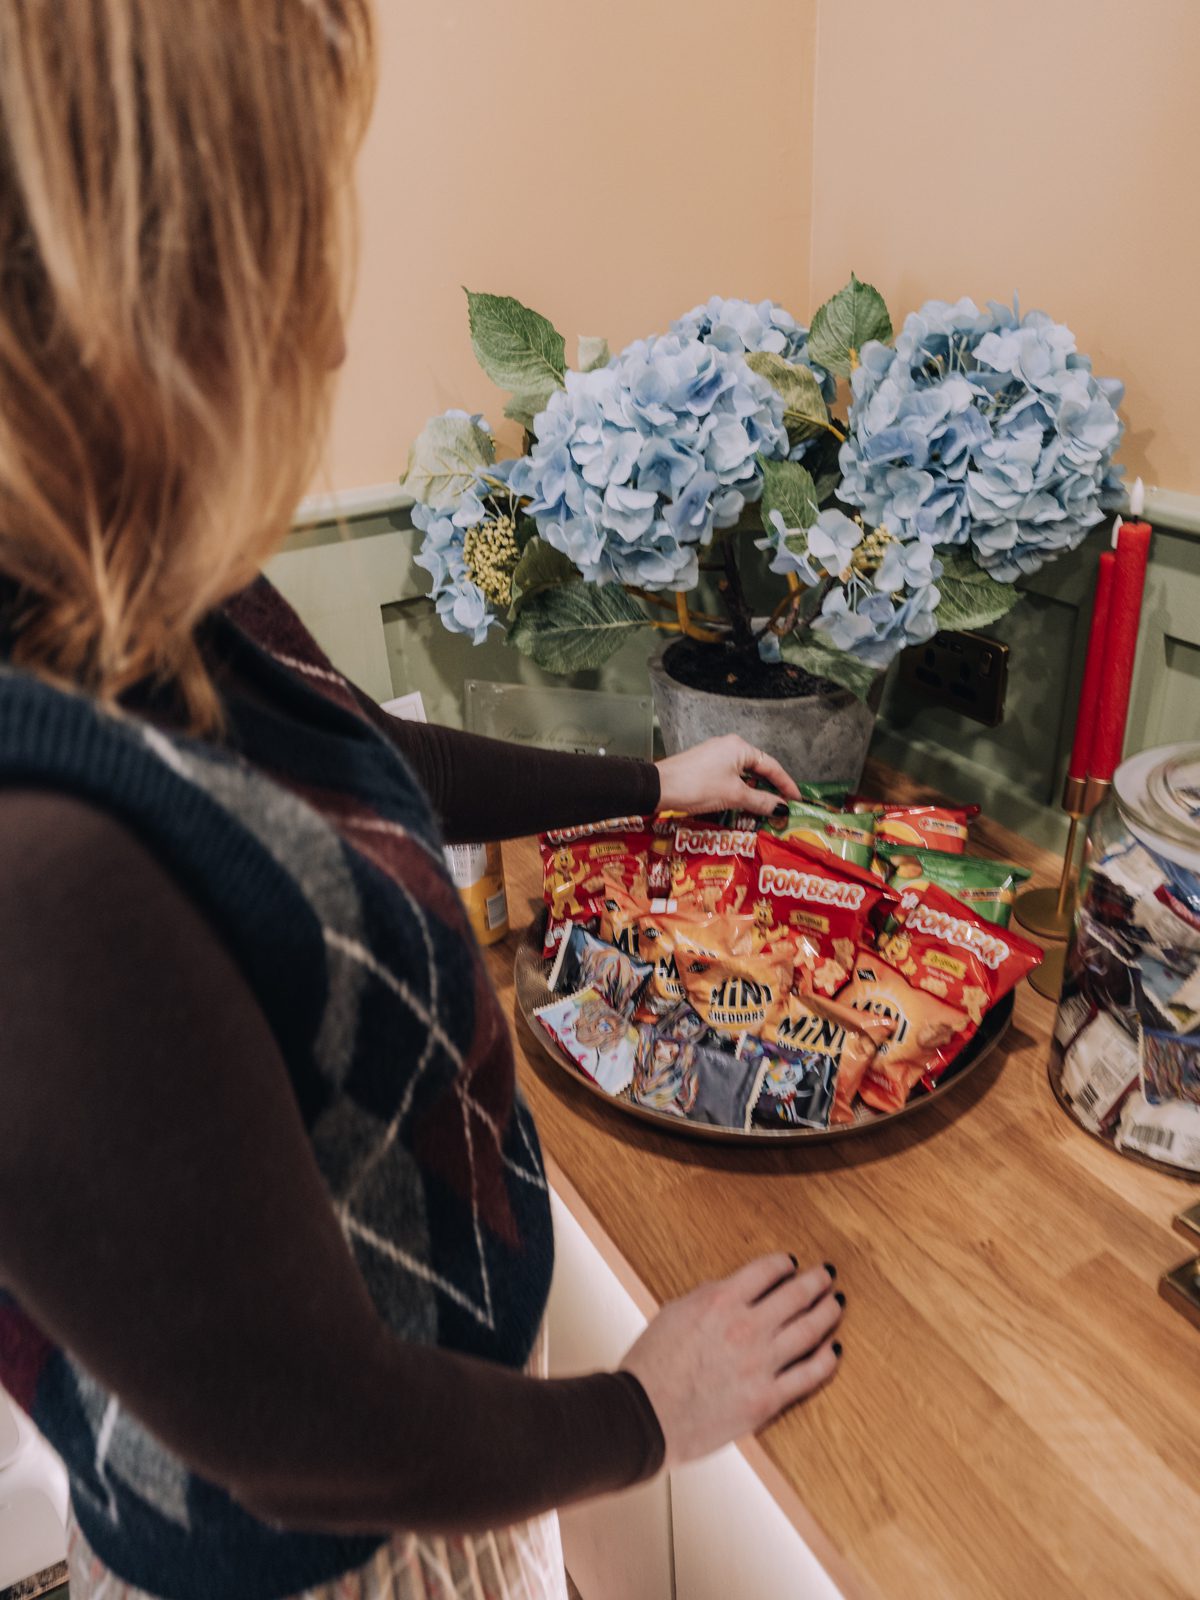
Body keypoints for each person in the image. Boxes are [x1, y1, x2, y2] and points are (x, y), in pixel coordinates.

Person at [0, 4, 844, 1598]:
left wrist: (653, 785)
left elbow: (344, 770)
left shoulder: (120, 570)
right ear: (132, 290)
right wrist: (644, 1414)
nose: (325, 337)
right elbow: (310, 1436)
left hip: (446, 1447)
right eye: (295, 239)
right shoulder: (31, 868)